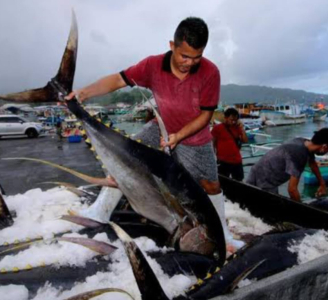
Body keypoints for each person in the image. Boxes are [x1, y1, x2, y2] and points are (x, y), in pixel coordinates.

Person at [65, 17, 244, 250]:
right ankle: (100, 211)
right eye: (184, 56)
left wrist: (179, 136)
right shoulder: (152, 65)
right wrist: (84, 93)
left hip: (194, 138)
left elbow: (205, 116)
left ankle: (223, 234)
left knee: (211, 184)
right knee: (125, 158)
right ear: (172, 45)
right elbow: (119, 79)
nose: (189, 63)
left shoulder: (210, 72)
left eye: (196, 57)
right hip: (161, 126)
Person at [246, 128, 328, 202]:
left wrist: (322, 183)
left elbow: (312, 163)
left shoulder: (303, 142)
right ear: (324, 146)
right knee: (267, 213)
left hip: (258, 170)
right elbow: (292, 190)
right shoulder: (299, 154)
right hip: (265, 181)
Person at [212, 108, 248, 181]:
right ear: (226, 118)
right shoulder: (217, 128)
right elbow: (212, 142)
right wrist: (213, 157)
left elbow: (245, 140)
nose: (233, 122)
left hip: (237, 160)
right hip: (223, 161)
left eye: (235, 120)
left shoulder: (237, 128)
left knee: (239, 181)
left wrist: (242, 129)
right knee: (223, 181)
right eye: (231, 119)